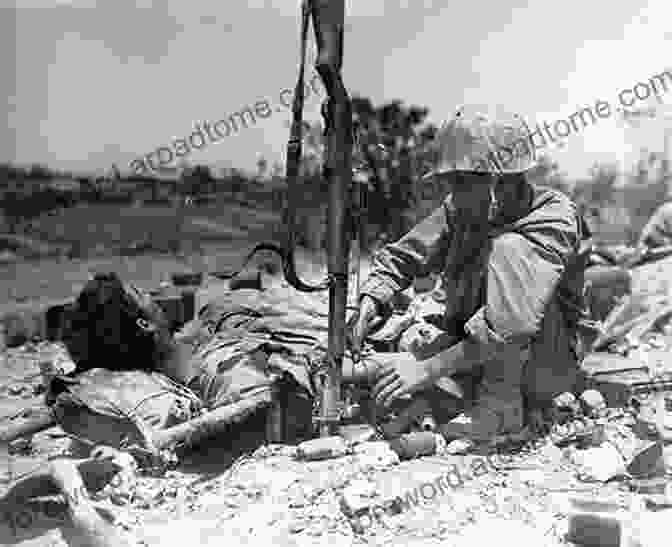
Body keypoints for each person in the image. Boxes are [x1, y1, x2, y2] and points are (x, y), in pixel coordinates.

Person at [348, 105, 587, 447]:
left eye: (459, 182)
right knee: (408, 342)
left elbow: (510, 327)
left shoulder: (552, 218)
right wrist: (372, 297)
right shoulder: (464, 207)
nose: (452, 192)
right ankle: (464, 386)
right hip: (477, 347)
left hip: (543, 365)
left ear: (495, 184)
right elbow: (406, 255)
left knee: (508, 252)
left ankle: (502, 410)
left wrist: (426, 370)